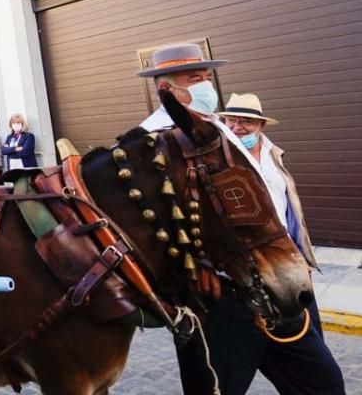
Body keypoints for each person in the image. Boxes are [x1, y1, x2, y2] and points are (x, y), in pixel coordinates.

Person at [135, 44, 344, 395]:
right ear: (165, 88)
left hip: (272, 282)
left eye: (206, 76)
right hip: (221, 303)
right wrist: (193, 265)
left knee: (323, 383)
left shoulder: (219, 125)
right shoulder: (149, 141)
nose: (205, 85)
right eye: (194, 78)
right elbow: (147, 223)